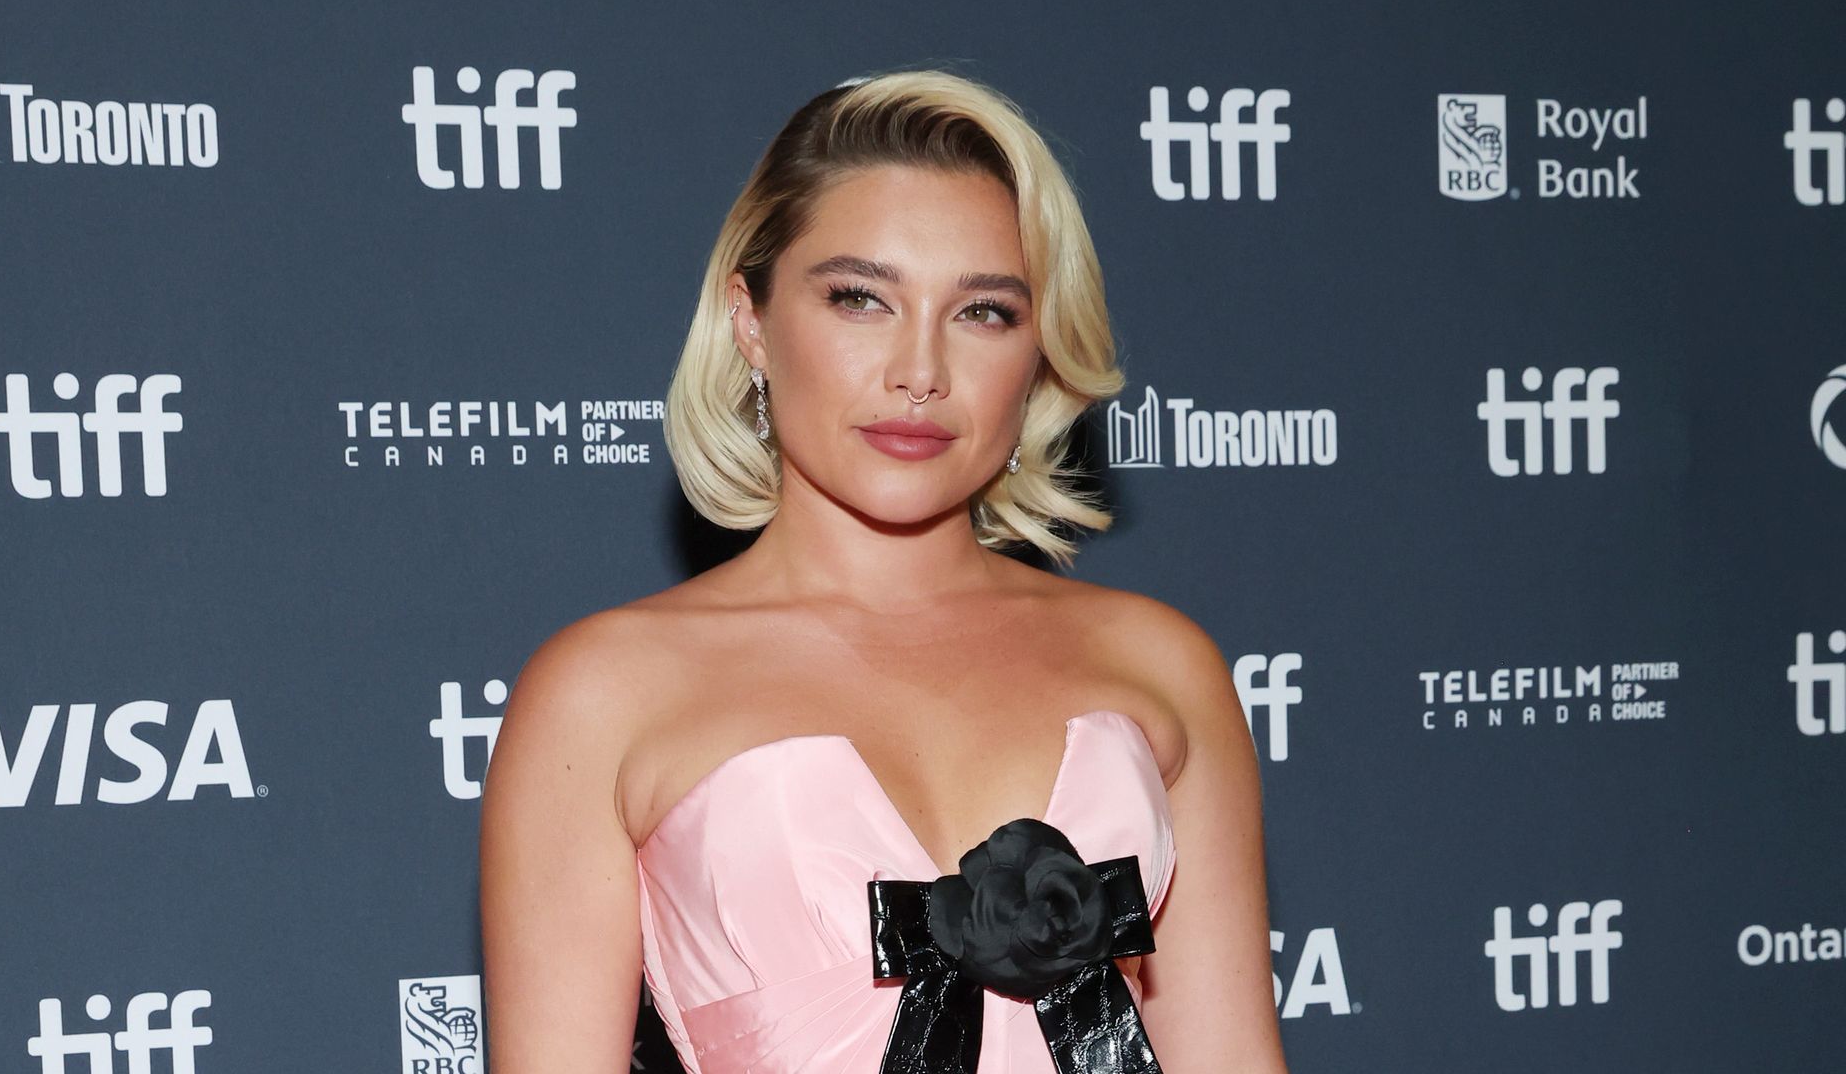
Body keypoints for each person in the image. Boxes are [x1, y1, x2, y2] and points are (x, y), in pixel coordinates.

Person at [479, 68, 1290, 1074]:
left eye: (983, 312)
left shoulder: (1161, 663)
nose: (921, 372)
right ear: (751, 322)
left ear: (1038, 351)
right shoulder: (603, 691)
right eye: (860, 299)